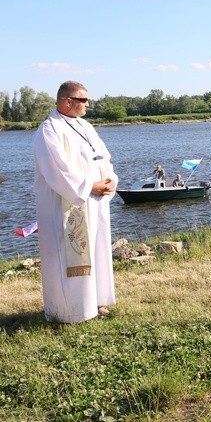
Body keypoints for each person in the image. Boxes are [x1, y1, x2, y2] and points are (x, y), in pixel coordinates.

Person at [32, 80, 118, 323]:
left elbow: (103, 156)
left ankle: (96, 303)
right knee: (70, 255)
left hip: (94, 202)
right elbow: (57, 170)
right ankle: (71, 311)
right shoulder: (49, 130)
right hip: (67, 205)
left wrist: (110, 180)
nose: (88, 104)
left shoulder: (86, 126)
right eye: (83, 100)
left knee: (96, 250)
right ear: (67, 101)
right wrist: (90, 185)